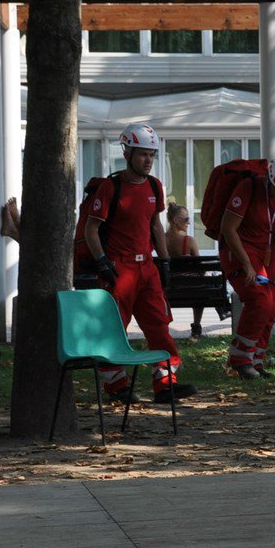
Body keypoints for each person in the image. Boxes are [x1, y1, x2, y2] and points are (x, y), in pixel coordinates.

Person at [83, 124, 197, 403]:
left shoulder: (154, 186)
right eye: (143, 154)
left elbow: (155, 226)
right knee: (115, 328)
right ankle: (116, 386)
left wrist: (165, 261)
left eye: (151, 155)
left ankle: (166, 384)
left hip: (147, 268)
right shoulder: (112, 186)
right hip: (118, 269)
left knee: (159, 325)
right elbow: (91, 229)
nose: (148, 160)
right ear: (128, 153)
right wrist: (101, 262)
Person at [220, 154, 275, 379]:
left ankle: (256, 360)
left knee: (273, 302)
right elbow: (229, 229)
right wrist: (246, 265)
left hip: (269, 252)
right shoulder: (248, 188)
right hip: (240, 249)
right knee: (259, 300)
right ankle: (239, 360)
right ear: (269, 179)